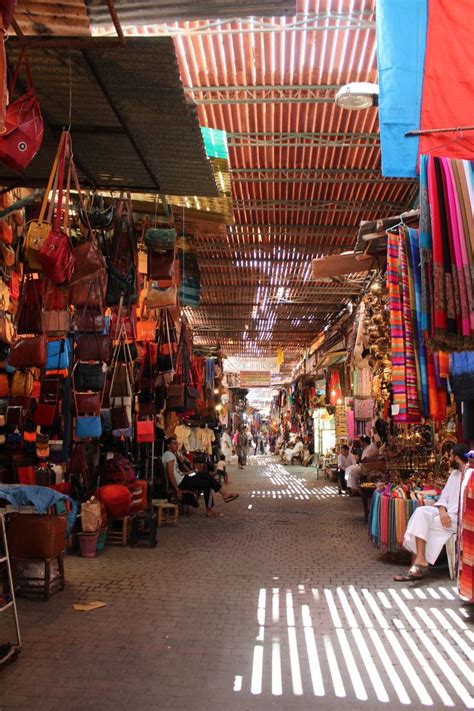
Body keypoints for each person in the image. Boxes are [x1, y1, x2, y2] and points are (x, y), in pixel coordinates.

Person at [394, 443, 470, 581]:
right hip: (446, 514)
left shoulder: (469, 476)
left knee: (422, 525)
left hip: (459, 519)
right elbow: (444, 496)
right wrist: (441, 510)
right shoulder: (454, 474)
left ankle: (416, 567)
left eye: (451, 456)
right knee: (420, 513)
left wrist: (447, 514)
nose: (449, 458)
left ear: (457, 458)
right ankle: (421, 560)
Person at [163, 436, 239, 518]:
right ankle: (210, 510)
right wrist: (177, 490)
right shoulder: (169, 455)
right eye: (174, 443)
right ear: (168, 445)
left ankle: (224, 493)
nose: (176, 445)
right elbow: (170, 474)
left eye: (177, 443)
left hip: (183, 477)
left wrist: (187, 473)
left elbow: (176, 472)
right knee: (206, 484)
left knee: (205, 474)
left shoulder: (171, 455)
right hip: (181, 482)